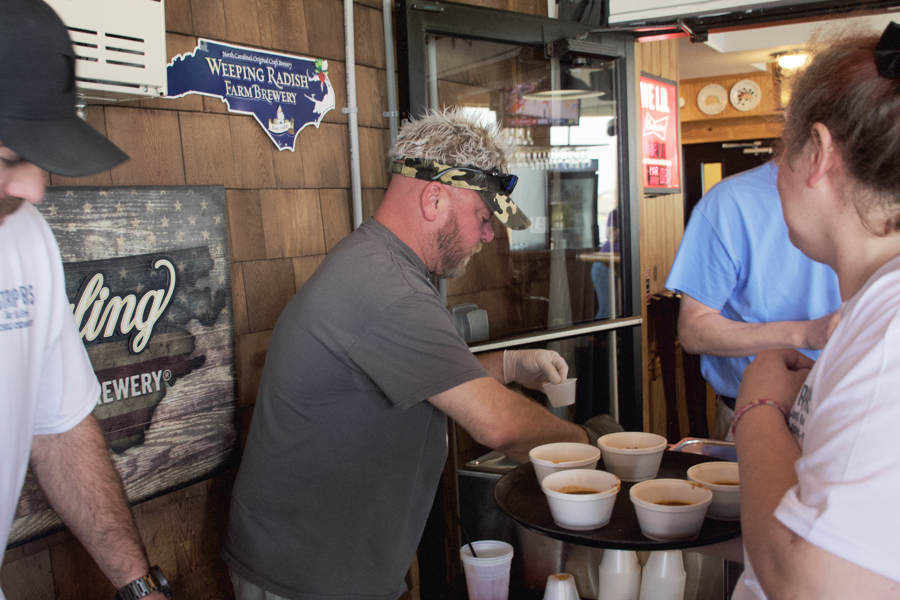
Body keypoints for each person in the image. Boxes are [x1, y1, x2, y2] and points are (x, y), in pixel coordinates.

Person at [223, 109, 620, 600]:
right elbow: (502, 428)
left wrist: (510, 365)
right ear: (433, 198)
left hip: (335, 561)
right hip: (306, 576)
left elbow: (418, 377)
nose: (488, 234)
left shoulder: (379, 262)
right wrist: (591, 445)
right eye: (481, 216)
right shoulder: (388, 289)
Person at [0, 0, 170, 598]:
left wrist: (139, 588)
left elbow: (58, 428)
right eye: (6, 157)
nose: (34, 188)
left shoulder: (23, 234)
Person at [731, 23, 900, 599]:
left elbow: (807, 581)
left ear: (819, 154)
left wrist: (757, 407)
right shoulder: (872, 311)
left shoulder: (891, 331)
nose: (775, 172)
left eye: (782, 147)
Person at [665, 158, 841, 440]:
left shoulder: (877, 193)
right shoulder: (730, 202)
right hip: (751, 413)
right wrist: (806, 333)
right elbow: (693, 331)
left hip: (854, 414)